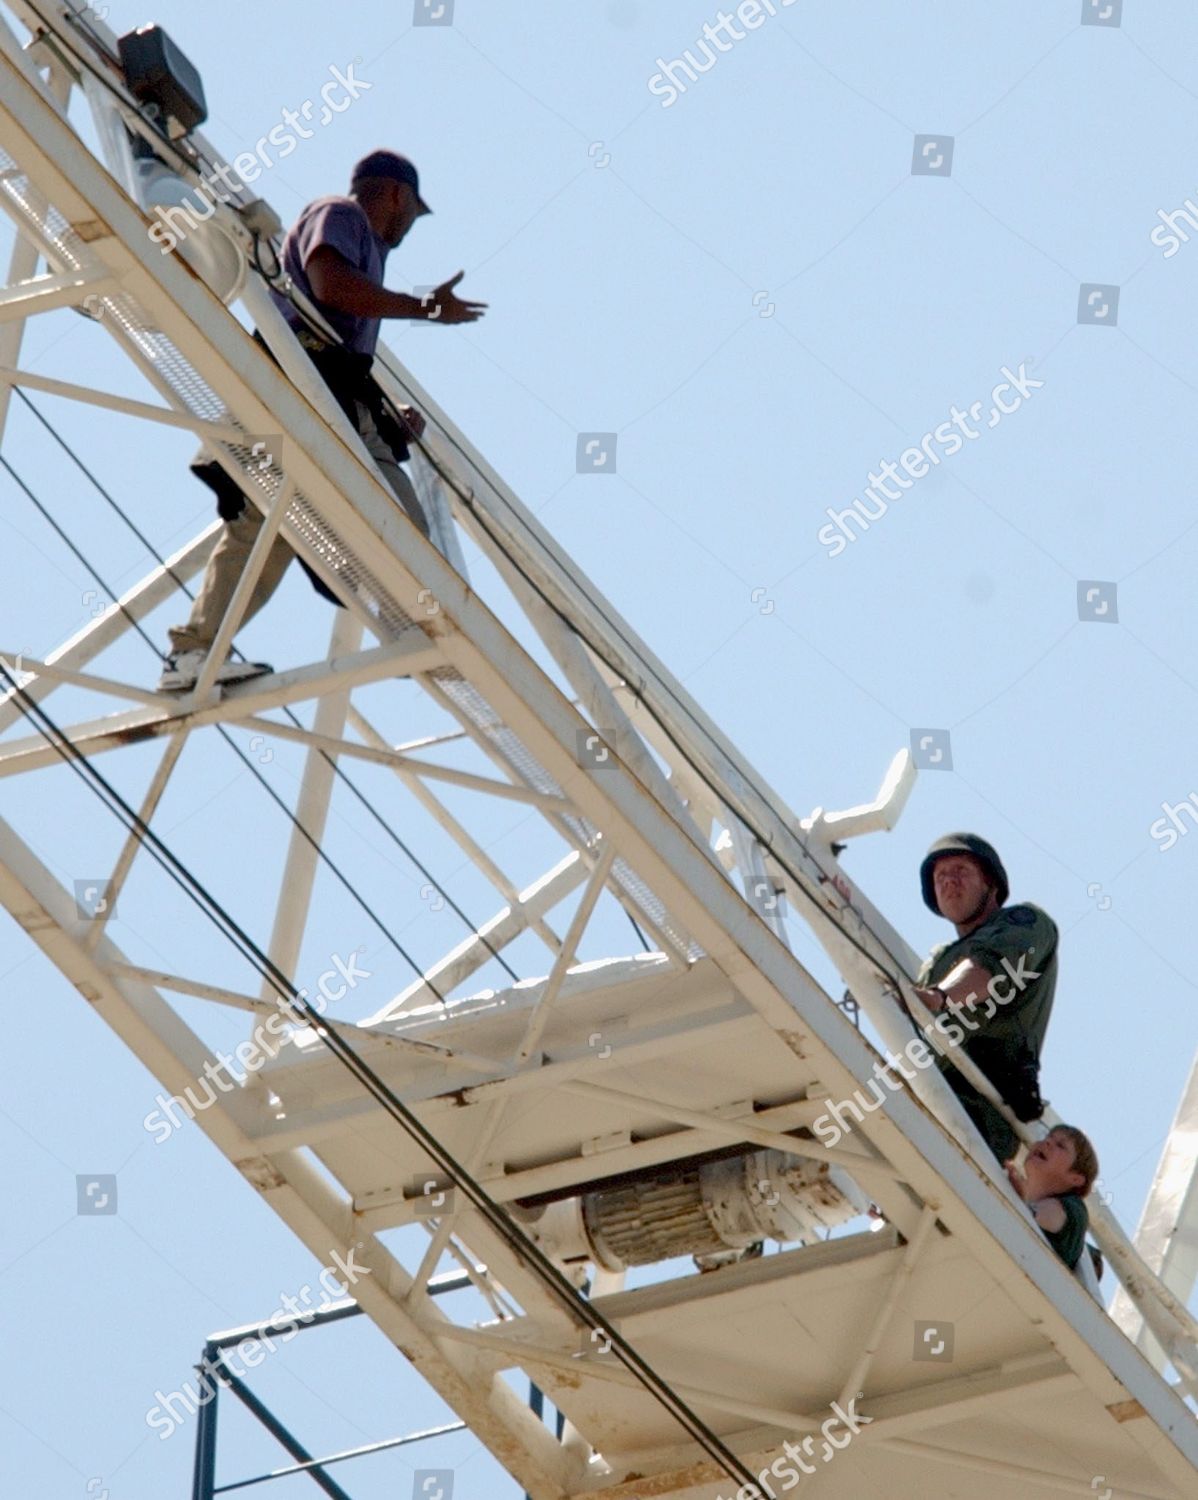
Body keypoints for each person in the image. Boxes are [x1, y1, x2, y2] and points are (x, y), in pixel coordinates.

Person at [158, 149, 486, 692]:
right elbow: (330, 289)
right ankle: (420, 628)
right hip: (305, 395)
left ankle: (192, 656)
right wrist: (426, 309)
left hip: (298, 394)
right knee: (398, 526)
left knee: (263, 531)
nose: (409, 226)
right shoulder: (343, 216)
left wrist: (382, 417)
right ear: (398, 197)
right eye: (413, 212)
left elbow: (333, 333)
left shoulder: (363, 244)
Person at [907, 832, 1059, 1165]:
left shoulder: (1025, 923)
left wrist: (940, 997)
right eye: (940, 876)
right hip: (930, 1096)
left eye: (960, 870)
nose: (948, 882)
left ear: (990, 882)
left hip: (982, 1112)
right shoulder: (938, 960)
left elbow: (988, 972)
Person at [1005, 1124, 1098, 1270]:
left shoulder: (1075, 1209)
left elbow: (1052, 1217)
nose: (1047, 1142)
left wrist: (1022, 1203)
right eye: (1047, 1137)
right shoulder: (1012, 1187)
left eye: (1060, 1145)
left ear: (1075, 1179)